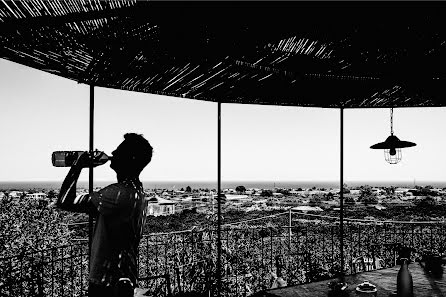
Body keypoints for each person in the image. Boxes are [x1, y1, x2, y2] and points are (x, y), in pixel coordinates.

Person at [56, 133, 153, 297]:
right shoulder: (136, 193)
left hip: (108, 283)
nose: (113, 152)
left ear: (131, 158)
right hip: (123, 278)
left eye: (119, 151)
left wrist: (77, 166)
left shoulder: (119, 194)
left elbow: (64, 201)